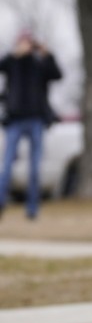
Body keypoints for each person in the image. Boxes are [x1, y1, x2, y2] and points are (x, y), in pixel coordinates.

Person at [0, 30, 62, 220]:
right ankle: (1, 203)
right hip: (15, 120)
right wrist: (12, 54)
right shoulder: (12, 62)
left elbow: (57, 75)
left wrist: (47, 53)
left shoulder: (39, 63)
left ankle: (32, 210)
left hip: (36, 120)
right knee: (7, 165)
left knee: (35, 168)